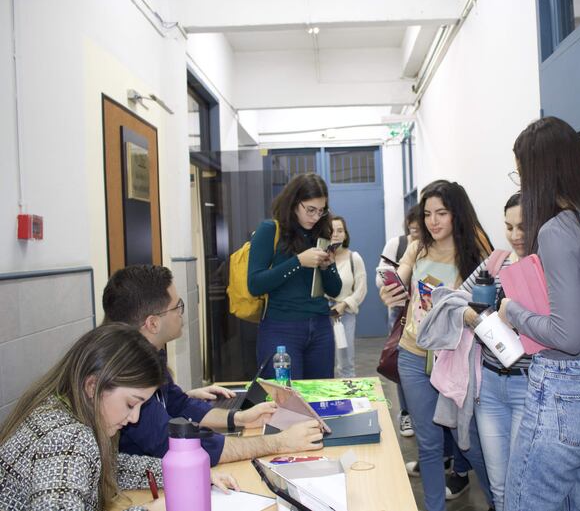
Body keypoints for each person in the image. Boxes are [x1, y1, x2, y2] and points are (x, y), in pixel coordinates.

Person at [499, 117, 580, 511]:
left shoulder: (556, 231)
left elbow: (567, 335)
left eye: (522, 175)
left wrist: (513, 311)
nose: (523, 186)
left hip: (563, 393)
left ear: (541, 174)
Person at [103, 265, 324, 467]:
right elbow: (180, 445)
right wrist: (278, 443)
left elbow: (178, 404)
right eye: (177, 306)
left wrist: (238, 418)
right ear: (153, 323)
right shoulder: (127, 375)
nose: (181, 312)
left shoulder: (149, 352)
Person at [0, 324, 238, 511]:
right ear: (93, 386)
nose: (134, 418)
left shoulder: (58, 407)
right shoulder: (68, 438)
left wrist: (185, 474)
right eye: (131, 404)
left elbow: (112, 467)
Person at [379, 180, 493, 511]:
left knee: (468, 443)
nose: (433, 221)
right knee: (428, 444)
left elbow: (484, 307)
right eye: (427, 214)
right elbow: (400, 279)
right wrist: (390, 291)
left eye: (441, 213)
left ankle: (500, 501)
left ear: (457, 213)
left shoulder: (475, 253)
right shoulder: (417, 248)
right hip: (413, 355)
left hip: (452, 358)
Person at [424, 193, 529, 510]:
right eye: (509, 227)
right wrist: (470, 315)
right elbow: (451, 299)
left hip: (529, 386)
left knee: (523, 483)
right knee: (498, 487)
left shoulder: (548, 266)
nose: (515, 235)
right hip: (490, 387)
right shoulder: (497, 262)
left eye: (523, 226)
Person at [248, 173, 342, 379]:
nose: (315, 217)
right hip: (281, 328)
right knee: (283, 395)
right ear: (293, 202)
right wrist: (298, 262)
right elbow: (255, 284)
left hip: (320, 327)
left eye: (321, 211)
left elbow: (335, 290)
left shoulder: (320, 233)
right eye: (310, 210)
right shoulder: (270, 230)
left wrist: (328, 267)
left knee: (320, 394)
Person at [375, 204, 420, 437]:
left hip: (424, 313)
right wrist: (392, 281)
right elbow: (380, 277)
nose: (416, 233)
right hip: (400, 312)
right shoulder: (397, 244)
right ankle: (405, 413)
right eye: (412, 229)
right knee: (401, 362)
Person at [326, 215, 367, 378]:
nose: (335, 234)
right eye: (331, 230)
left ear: (345, 234)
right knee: (323, 361)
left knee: (346, 363)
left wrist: (344, 304)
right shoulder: (320, 257)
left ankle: (348, 393)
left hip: (344, 315)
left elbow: (361, 289)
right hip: (321, 314)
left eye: (340, 230)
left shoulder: (354, 258)